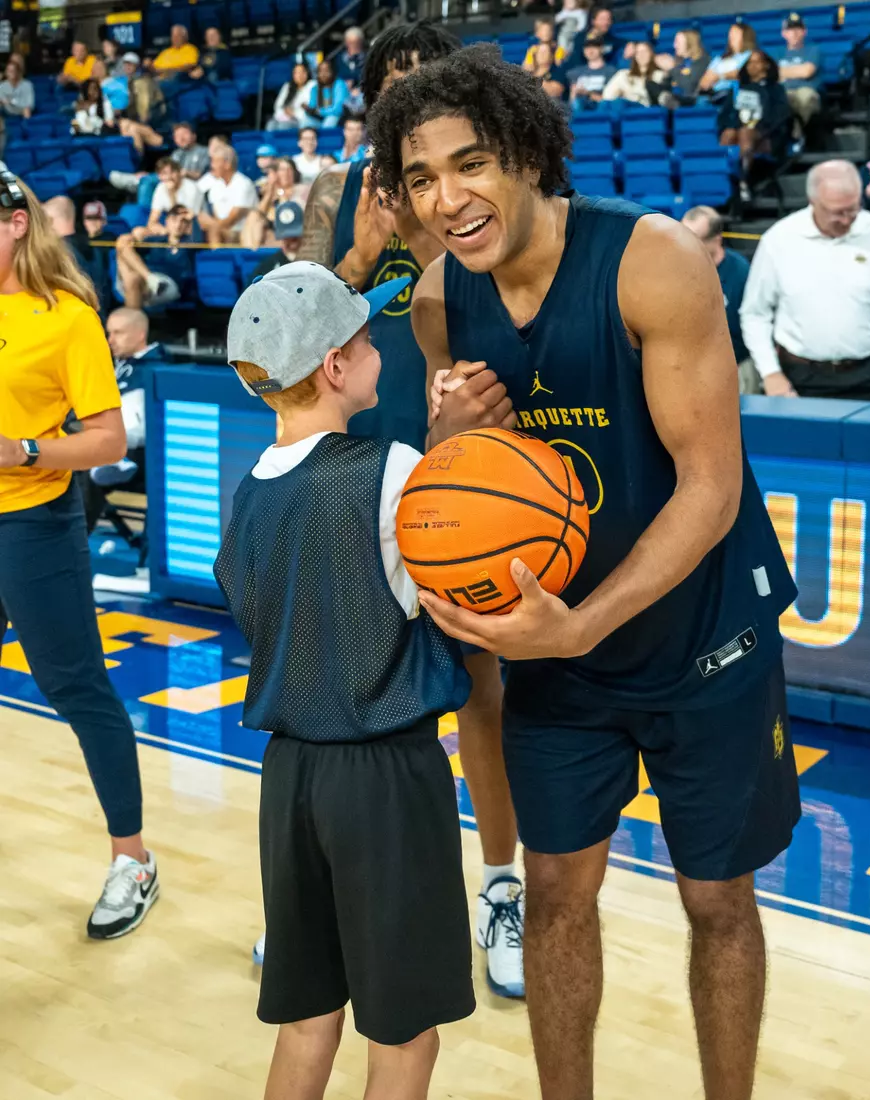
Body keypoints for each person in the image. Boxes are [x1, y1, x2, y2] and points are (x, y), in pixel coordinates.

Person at [369, 48, 801, 1100]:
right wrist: (447, 437)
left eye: (469, 163)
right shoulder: (437, 302)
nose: (449, 198)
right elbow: (455, 489)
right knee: (557, 891)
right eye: (422, 179)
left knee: (718, 900)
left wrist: (582, 622)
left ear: (523, 150)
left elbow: (709, 485)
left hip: (706, 642)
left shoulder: (651, 261)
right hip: (559, 658)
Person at [297, 20, 525, 1000]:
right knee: (353, 690)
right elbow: (301, 336)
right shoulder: (349, 190)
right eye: (395, 83)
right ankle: (336, 901)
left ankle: (502, 885)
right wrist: (357, 258)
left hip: (468, 468)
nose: (413, 96)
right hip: (364, 465)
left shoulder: (486, 186)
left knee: (478, 690)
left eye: (427, 78)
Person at [214, 262, 474, 1100]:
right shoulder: (391, 470)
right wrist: (459, 452)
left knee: (307, 1017)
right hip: (384, 774)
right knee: (403, 1035)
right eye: (365, 338)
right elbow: (454, 596)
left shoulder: (246, 496)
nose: (377, 349)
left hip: (289, 778)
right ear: (333, 366)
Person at [0, 173, 158, 938]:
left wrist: (24, 447)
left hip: (33, 521)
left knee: (77, 689)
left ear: (16, 225)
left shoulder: (65, 319)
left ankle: (132, 858)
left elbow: (107, 439)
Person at [740, 160, 870, 400]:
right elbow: (755, 314)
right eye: (837, 213)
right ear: (812, 202)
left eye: (852, 210)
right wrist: (771, 374)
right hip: (801, 380)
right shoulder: (779, 240)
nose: (846, 220)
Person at [84, 307, 165, 526]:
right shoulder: (116, 365)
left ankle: (72, 543)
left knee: (81, 474)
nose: (110, 340)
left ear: (140, 334)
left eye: (118, 333)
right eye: (109, 333)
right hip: (105, 439)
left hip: (144, 451)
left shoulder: (158, 366)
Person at [681, 206, 758, 394]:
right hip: (689, 368)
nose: (684, 245)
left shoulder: (740, 272)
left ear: (716, 239)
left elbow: (752, 324)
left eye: (694, 240)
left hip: (735, 367)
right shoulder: (676, 267)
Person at [719, 51, 791, 194]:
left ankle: (743, 181)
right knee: (728, 133)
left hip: (767, 136)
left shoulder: (776, 89)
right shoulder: (736, 89)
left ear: (766, 65)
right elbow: (724, 116)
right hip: (739, 133)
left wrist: (758, 126)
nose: (753, 65)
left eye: (757, 61)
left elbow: (780, 116)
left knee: (746, 133)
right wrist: (733, 127)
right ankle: (723, 179)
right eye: (749, 62)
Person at [115, 203, 200, 309]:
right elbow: (128, 250)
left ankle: (131, 322)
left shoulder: (189, 242)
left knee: (132, 282)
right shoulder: (157, 240)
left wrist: (194, 218)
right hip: (149, 278)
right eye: (174, 220)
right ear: (167, 221)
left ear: (187, 225)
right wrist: (128, 238)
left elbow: (198, 239)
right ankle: (150, 278)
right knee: (123, 244)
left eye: (183, 221)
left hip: (170, 283)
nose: (178, 225)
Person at [773, 13, 822, 143]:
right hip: (785, 92)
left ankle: (795, 135)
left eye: (797, 29)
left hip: (807, 90)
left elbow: (807, 72)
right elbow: (772, 75)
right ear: (784, 33)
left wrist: (783, 72)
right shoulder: (777, 53)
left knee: (806, 97)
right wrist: (797, 70)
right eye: (790, 30)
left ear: (804, 32)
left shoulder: (813, 50)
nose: (794, 33)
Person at [198, 144, 258, 244]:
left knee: (213, 230)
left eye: (215, 161)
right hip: (223, 230)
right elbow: (216, 215)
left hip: (242, 232)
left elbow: (233, 218)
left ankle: (217, 258)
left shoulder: (243, 184)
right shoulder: (216, 185)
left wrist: (214, 226)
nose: (212, 166)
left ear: (227, 164)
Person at [241, 158, 305, 249]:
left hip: (292, 228)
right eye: (282, 170)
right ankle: (250, 256)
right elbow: (260, 212)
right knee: (253, 217)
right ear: (276, 174)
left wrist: (281, 193)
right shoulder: (268, 190)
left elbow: (288, 213)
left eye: (290, 169)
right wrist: (271, 189)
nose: (287, 173)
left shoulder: (301, 189)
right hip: (270, 228)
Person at [142, 156, 204, 236]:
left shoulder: (191, 187)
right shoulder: (160, 188)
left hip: (190, 228)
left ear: (179, 172)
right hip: (171, 228)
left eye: (172, 172)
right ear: (159, 176)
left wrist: (171, 194)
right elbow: (152, 221)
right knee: (138, 232)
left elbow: (184, 219)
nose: (169, 177)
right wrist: (162, 231)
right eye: (164, 173)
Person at [567, 6, 634, 72]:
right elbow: (576, 60)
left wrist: (631, 44)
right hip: (584, 74)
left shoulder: (610, 38)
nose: (606, 23)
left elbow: (623, 42)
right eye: (602, 19)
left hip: (605, 73)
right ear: (593, 21)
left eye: (608, 19)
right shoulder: (581, 37)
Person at [655, 30, 710, 108]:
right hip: (676, 102)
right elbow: (666, 87)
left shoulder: (702, 61)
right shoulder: (679, 62)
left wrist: (671, 68)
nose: (674, 46)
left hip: (694, 103)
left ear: (689, 43)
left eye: (677, 42)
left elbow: (689, 88)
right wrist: (666, 73)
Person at [250, 201, 304, 278]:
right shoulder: (266, 269)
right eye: (285, 239)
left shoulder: (318, 265)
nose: (292, 246)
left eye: (294, 239)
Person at [700, 20, 756, 95]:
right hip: (715, 93)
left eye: (735, 33)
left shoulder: (751, 55)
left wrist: (720, 76)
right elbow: (704, 82)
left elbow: (747, 73)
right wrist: (708, 81)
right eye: (730, 32)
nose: (731, 35)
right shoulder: (720, 59)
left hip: (737, 92)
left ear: (745, 35)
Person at [601, 41, 665, 106]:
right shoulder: (623, 74)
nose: (641, 55)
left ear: (651, 54)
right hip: (622, 107)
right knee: (604, 104)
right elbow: (607, 95)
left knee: (619, 103)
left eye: (645, 51)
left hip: (643, 109)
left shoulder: (659, 75)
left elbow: (652, 97)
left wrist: (626, 94)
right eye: (638, 52)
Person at [568, 37, 616, 110]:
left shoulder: (611, 71)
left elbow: (609, 100)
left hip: (601, 108)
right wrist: (574, 93)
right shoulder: (575, 72)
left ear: (601, 49)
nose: (590, 50)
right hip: (580, 108)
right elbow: (572, 102)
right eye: (587, 47)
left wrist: (588, 94)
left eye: (594, 46)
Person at [268, 60, 314, 131]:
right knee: (270, 125)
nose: (300, 75)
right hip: (283, 117)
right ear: (293, 75)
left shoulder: (312, 85)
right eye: (297, 73)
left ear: (307, 73)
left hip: (300, 119)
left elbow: (310, 107)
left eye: (303, 72)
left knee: (283, 126)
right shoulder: (287, 86)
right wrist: (285, 113)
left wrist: (294, 113)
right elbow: (278, 106)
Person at [303, 59, 348, 128]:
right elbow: (313, 106)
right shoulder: (314, 88)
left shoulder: (339, 84)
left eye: (327, 70)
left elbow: (338, 109)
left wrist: (319, 111)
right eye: (320, 71)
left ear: (333, 72)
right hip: (320, 118)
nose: (323, 74)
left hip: (338, 117)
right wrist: (308, 109)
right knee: (305, 121)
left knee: (331, 119)